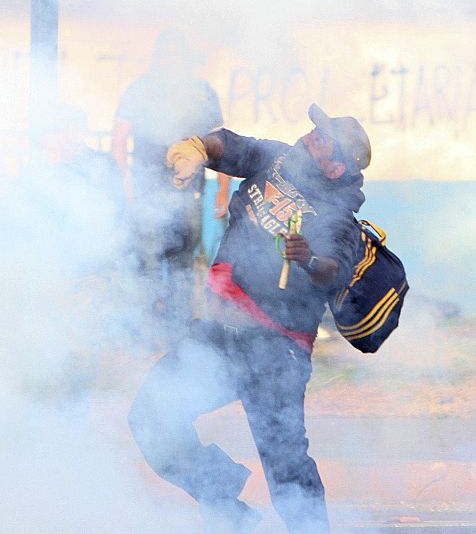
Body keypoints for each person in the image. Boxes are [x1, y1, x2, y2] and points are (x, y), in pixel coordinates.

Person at [128, 103, 370, 534]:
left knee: (287, 470)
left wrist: (308, 258)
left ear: (337, 168)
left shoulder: (339, 217)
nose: (309, 136)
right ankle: (225, 501)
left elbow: (334, 269)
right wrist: (197, 148)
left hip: (277, 353)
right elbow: (231, 146)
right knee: (150, 416)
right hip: (219, 335)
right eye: (315, 129)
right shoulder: (276, 158)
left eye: (322, 138)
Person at [112, 30, 230, 343]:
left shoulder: (202, 92)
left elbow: (220, 142)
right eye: (167, 55)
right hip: (147, 189)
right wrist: (125, 181)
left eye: (178, 55)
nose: (172, 61)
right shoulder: (141, 89)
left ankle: (179, 333)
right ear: (158, 57)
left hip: (190, 192)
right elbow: (120, 137)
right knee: (148, 259)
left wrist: (222, 188)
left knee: (183, 262)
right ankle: (150, 331)